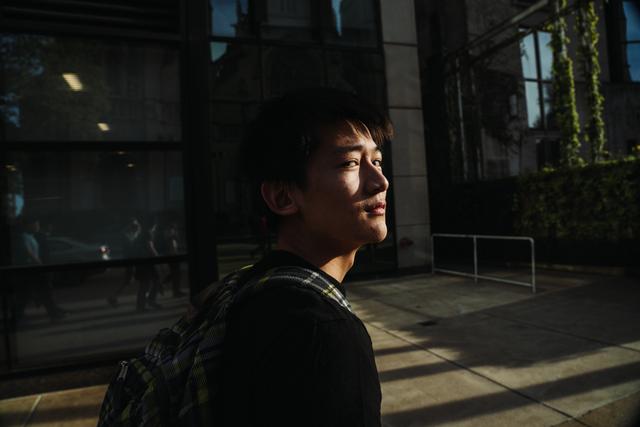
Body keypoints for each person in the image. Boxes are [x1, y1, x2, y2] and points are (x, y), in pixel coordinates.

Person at [217, 87, 393, 425]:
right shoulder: (322, 331)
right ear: (283, 197)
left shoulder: (249, 289)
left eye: (377, 161)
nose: (380, 181)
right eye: (350, 163)